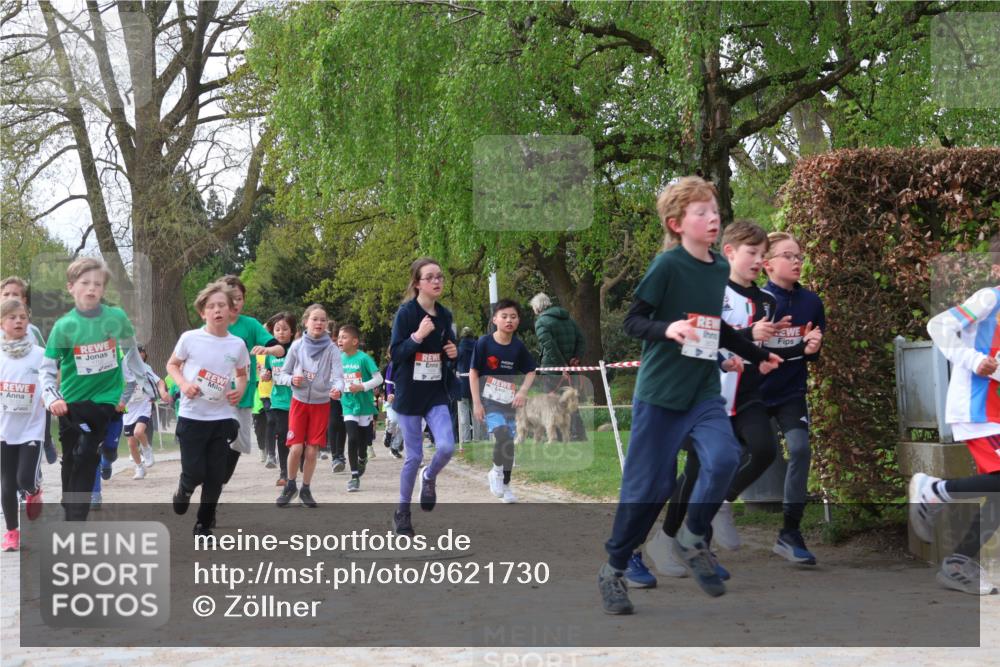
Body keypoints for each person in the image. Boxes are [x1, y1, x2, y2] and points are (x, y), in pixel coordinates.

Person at [597, 176, 781, 615]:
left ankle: (693, 537)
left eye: (714, 209)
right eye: (701, 212)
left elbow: (714, 327)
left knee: (723, 457)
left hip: (701, 393)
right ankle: (615, 568)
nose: (713, 217)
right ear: (677, 223)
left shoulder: (718, 268)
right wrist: (668, 329)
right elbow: (632, 323)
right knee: (651, 487)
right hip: (660, 396)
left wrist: (758, 355)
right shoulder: (666, 266)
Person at [651, 221, 814, 579]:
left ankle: (722, 501)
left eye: (762, 254)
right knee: (694, 472)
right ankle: (665, 540)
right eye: (752, 254)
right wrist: (745, 335)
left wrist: (782, 351)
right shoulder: (709, 291)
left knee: (765, 449)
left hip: (747, 394)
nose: (758, 261)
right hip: (706, 396)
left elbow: (760, 345)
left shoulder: (766, 300)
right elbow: (696, 342)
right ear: (730, 253)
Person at [909, 238, 1000, 595]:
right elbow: (938, 326)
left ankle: (960, 562)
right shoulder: (989, 299)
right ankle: (934, 489)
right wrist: (975, 361)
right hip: (976, 410)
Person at [40, 257, 146, 522]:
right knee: (72, 457)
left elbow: (132, 353)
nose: (91, 289)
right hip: (71, 401)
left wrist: (147, 382)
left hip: (105, 400)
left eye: (97, 284)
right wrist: (51, 396)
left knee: (87, 454)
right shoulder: (64, 326)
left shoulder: (116, 317)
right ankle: (69, 500)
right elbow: (47, 368)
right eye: (85, 283)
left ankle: (77, 517)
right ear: (71, 287)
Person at [759, 231, 827, 564]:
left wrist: (813, 348)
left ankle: (790, 532)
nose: (797, 261)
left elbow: (809, 352)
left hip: (790, 393)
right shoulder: (756, 301)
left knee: (800, 449)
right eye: (788, 255)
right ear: (767, 264)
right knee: (737, 457)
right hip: (752, 394)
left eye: (799, 255)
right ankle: (706, 519)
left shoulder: (811, 303)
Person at [167, 281, 249, 536]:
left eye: (222, 305)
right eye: (211, 306)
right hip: (192, 416)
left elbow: (242, 374)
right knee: (195, 472)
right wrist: (183, 384)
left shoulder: (237, 344)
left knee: (215, 475)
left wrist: (240, 389)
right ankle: (185, 487)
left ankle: (204, 523)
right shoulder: (190, 338)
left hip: (222, 415)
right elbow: (172, 365)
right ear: (203, 312)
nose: (217, 310)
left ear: (231, 311)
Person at [389, 258, 459, 536]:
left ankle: (428, 478)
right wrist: (417, 336)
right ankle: (402, 513)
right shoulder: (406, 314)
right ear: (417, 283)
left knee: (446, 447)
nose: (437, 281)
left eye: (440, 276)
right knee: (413, 455)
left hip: (435, 392)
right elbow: (395, 354)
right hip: (409, 394)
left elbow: (447, 352)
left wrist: (455, 354)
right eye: (430, 277)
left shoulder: (445, 315)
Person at [273, 304, 344, 508]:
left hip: (321, 404)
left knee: (312, 452)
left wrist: (337, 390)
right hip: (299, 402)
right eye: (315, 319)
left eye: (323, 320)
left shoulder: (332, 349)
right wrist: (291, 380)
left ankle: (305, 488)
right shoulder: (297, 346)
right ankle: (290, 485)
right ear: (306, 322)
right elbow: (283, 374)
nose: (319, 323)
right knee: (295, 449)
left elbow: (339, 378)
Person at [218, 275, 285, 485]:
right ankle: (212, 477)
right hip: (216, 393)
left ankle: (220, 478)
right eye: (231, 298)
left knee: (239, 444)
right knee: (216, 438)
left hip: (243, 393)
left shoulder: (251, 325)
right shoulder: (213, 323)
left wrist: (267, 348)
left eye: (239, 298)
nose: (235, 303)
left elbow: (280, 349)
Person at [469, 299, 537, 504]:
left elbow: (531, 370)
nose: (509, 320)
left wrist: (523, 391)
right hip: (489, 402)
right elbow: (473, 372)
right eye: (504, 316)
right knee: (503, 436)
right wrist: (476, 403)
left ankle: (505, 485)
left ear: (518, 321)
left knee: (508, 445)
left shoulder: (518, 347)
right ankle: (496, 473)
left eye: (513, 317)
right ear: (495, 319)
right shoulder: (484, 343)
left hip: (510, 403)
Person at [1, 299, 46, 551]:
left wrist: (48, 394)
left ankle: (34, 489)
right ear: (2, 323)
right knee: (6, 482)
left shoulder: (39, 354)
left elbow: (53, 379)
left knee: (24, 477)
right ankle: (11, 532)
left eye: (22, 317)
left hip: (31, 427)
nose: (18, 321)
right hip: (3, 428)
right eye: (12, 317)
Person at [2, 276, 57, 465]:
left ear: (24, 300)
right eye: (6, 294)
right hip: (6, 403)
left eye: (15, 294)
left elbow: (47, 363)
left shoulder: (31, 330)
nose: (11, 297)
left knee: (27, 470)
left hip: (31, 399)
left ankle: (46, 440)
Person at [531, 292, 587, 440]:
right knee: (571, 402)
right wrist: (576, 358)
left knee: (551, 404)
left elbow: (550, 347)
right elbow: (582, 339)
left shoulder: (541, 322)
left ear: (537, 308)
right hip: (571, 366)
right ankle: (578, 434)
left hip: (553, 368)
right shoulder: (569, 318)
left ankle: (555, 436)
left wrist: (561, 365)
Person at [337, 324, 383, 492]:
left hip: (364, 405)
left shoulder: (364, 358)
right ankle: (354, 476)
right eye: (339, 337)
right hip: (348, 404)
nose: (340, 340)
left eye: (344, 337)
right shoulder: (338, 359)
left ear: (355, 341)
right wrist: (334, 390)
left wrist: (362, 386)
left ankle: (363, 457)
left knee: (363, 442)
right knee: (353, 438)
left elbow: (379, 379)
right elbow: (333, 379)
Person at [123, 345, 170, 480]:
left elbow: (159, 381)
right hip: (127, 407)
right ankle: (139, 467)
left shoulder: (144, 368)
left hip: (144, 404)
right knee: (131, 443)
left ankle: (147, 448)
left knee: (138, 432)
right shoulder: (119, 370)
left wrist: (162, 392)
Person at [263, 312, 296, 487]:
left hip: (297, 400)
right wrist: (266, 375)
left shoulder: (295, 351)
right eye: (277, 329)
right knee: (282, 435)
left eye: (285, 329)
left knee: (297, 438)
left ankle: (300, 460)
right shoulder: (270, 354)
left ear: (292, 332)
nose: (281, 332)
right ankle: (284, 472)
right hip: (278, 400)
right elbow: (267, 372)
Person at [456, 327, 477, 450]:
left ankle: (465, 439)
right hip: (475, 384)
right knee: (477, 414)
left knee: (463, 414)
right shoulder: (477, 348)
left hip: (462, 385)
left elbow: (451, 364)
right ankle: (479, 438)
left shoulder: (459, 349)